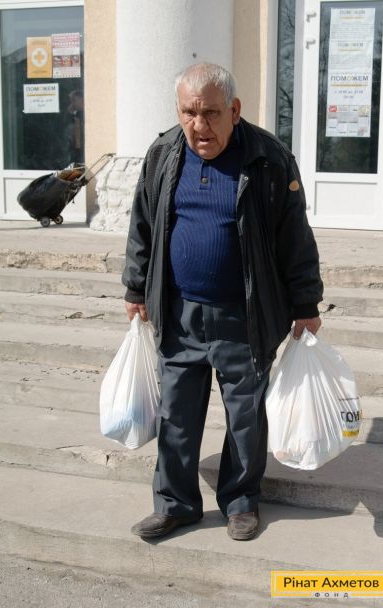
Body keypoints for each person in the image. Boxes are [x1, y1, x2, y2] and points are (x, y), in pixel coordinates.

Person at [122, 62, 323, 541]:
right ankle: (176, 505)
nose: (199, 125)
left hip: (244, 314)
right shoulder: (164, 152)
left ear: (234, 110)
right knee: (176, 415)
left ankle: (240, 501)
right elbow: (142, 223)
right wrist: (135, 288)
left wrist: (306, 303)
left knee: (245, 417)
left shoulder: (269, 158)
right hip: (180, 313)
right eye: (188, 113)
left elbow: (294, 236)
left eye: (210, 113)